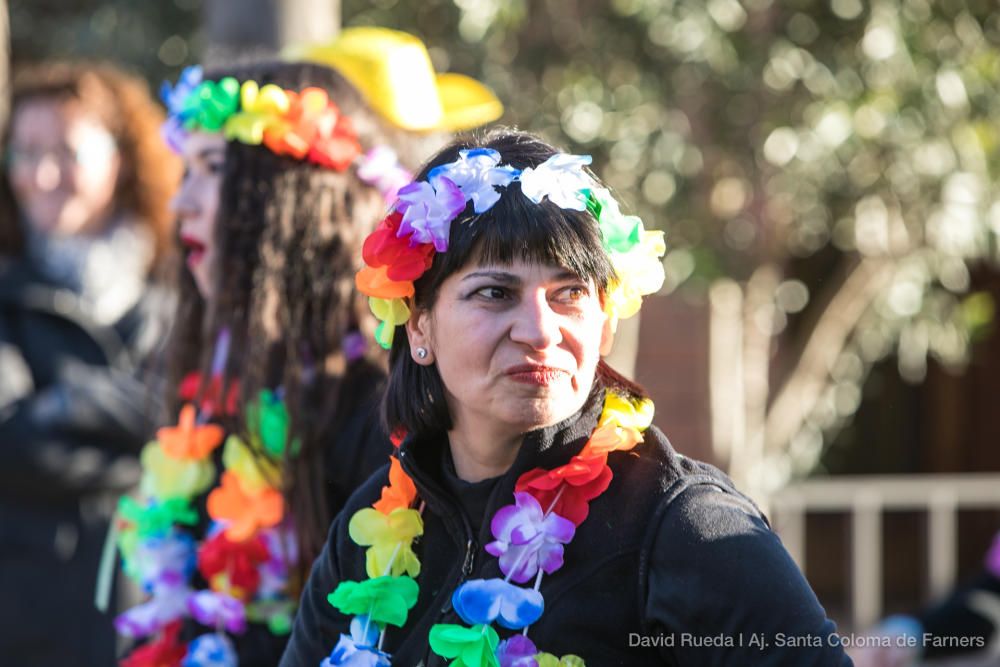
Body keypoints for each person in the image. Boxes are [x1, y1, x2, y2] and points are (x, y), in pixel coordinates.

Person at [279, 128, 853, 666]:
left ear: (604, 323)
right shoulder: (373, 523)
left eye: (569, 292)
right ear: (419, 326)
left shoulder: (680, 524)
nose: (540, 330)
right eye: (496, 292)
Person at [115, 35, 504, 666]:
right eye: (186, 171)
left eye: (214, 169)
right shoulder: (222, 386)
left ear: (295, 196)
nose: (179, 202)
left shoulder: (387, 402)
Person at [0, 61, 179, 666]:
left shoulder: (178, 288)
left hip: (165, 623)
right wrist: (150, 441)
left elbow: (205, 419)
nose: (42, 175)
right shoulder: (5, 289)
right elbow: (10, 440)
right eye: (24, 153)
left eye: (66, 151)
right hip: (27, 624)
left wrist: (65, 403)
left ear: (121, 159)